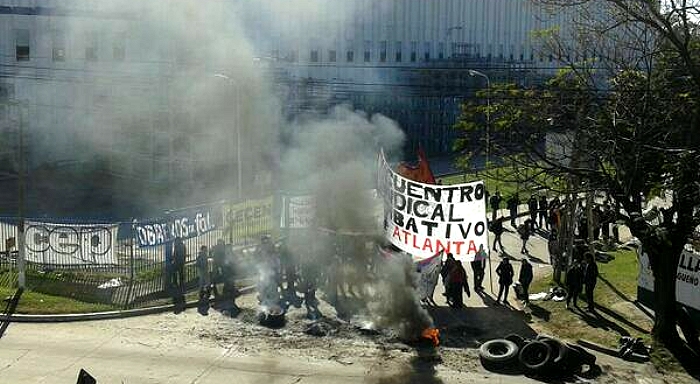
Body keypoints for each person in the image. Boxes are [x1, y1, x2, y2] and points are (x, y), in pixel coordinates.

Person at [196, 245, 211, 315]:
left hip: (205, 270)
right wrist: (201, 268)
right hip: (202, 271)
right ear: (202, 250)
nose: (206, 250)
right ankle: (201, 294)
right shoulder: (200, 256)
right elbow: (198, 264)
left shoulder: (205, 255)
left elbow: (206, 263)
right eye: (205, 249)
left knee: (207, 282)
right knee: (202, 283)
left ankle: (206, 293)